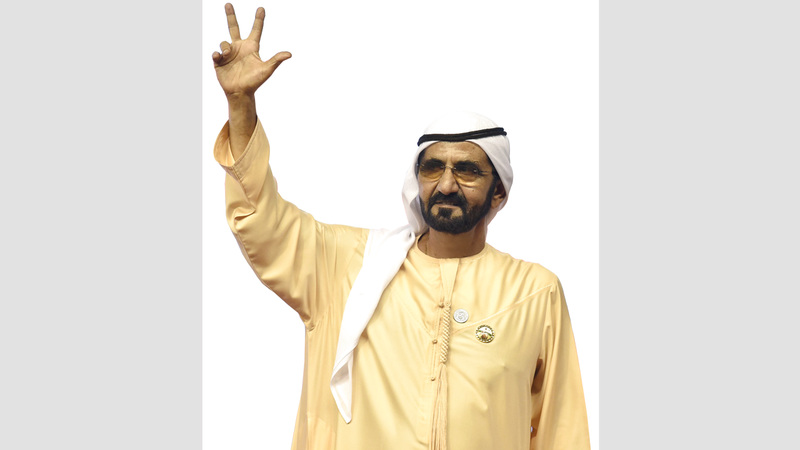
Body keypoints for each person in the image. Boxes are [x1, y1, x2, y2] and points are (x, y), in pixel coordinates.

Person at [211, 3, 590, 449]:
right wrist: (241, 107)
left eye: (467, 171)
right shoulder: (344, 267)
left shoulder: (535, 292)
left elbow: (562, 431)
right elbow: (260, 219)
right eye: (433, 168)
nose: (446, 184)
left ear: (498, 193)